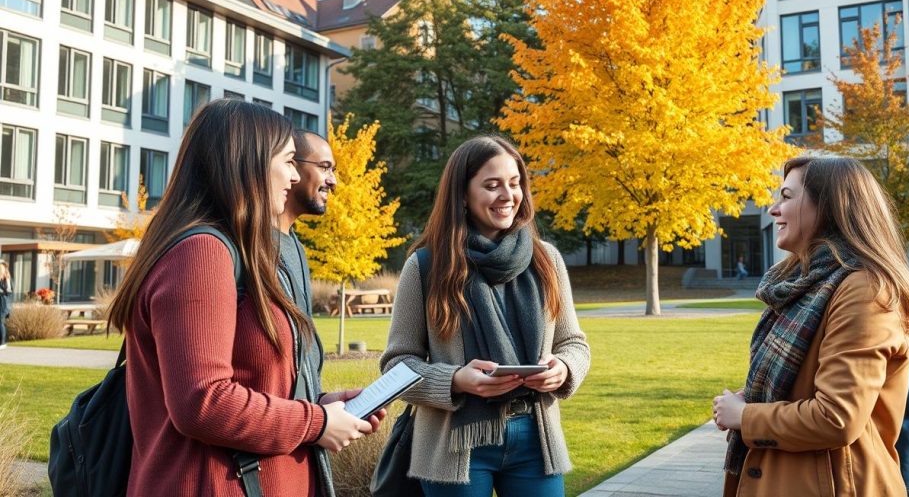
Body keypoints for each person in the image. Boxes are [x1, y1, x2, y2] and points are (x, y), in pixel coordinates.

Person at [106, 100, 381, 496]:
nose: (292, 177)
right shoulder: (201, 253)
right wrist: (316, 423)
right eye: (288, 161)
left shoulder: (231, 250)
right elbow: (203, 401)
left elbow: (250, 379)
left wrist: (322, 404)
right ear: (246, 163)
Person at [380, 135, 591, 497]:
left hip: (535, 437)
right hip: (455, 443)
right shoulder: (426, 266)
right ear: (462, 194)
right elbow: (396, 366)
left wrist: (564, 368)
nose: (507, 195)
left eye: (514, 183)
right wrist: (456, 380)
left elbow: (573, 343)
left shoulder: (547, 260)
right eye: (492, 185)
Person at [712, 156, 909, 497]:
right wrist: (757, 397)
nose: (773, 209)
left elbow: (837, 417)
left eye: (786, 196)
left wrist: (747, 416)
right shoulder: (807, 284)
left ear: (828, 208)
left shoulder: (864, 290)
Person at [278, 128, 372, 496]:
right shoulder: (236, 253)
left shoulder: (295, 249)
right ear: (293, 168)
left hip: (297, 461)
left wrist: (322, 402)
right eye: (325, 167)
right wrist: (315, 420)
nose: (333, 180)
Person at [0, 260, 11, 349]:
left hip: (2, 303)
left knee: (0, 322)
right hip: (4, 303)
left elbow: (7, 291)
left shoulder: (5, 280)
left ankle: (2, 342)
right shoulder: (6, 279)